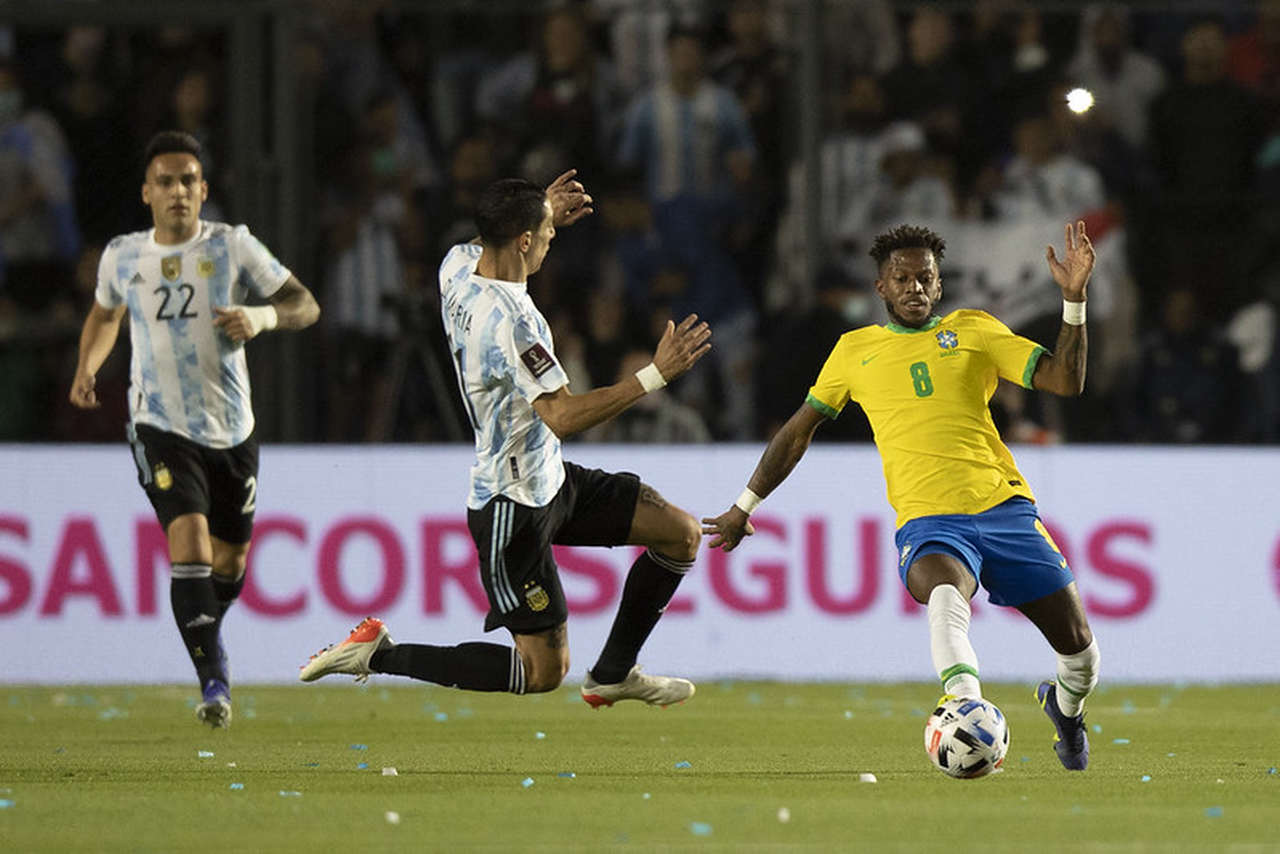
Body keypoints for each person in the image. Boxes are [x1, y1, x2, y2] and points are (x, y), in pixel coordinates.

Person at [300, 171, 712, 709]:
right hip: (512, 507)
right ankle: (379, 654)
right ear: (523, 240)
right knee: (543, 672)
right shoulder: (514, 323)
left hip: (552, 481)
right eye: (545, 233)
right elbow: (562, 416)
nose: (550, 239)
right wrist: (655, 375)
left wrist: (539, 206)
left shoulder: (456, 268)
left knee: (679, 533)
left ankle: (613, 672)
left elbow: (485, 235)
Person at [702, 221, 1101, 770]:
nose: (915, 287)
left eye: (925, 278)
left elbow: (1065, 381)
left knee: (1081, 653)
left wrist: (1073, 300)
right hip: (930, 521)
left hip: (1003, 508)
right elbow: (797, 432)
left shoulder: (975, 330)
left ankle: (1066, 708)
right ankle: (964, 706)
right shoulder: (853, 351)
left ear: (939, 287)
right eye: (902, 278)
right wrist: (744, 506)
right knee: (944, 594)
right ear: (881, 288)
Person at [68, 130, 320, 728]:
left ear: (204, 191)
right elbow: (106, 314)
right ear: (146, 193)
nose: (178, 191)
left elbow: (305, 304)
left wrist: (259, 317)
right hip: (158, 423)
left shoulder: (233, 247)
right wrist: (87, 365)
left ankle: (207, 632)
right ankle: (214, 683)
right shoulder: (123, 256)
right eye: (165, 181)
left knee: (229, 564)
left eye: (188, 181)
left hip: (232, 429)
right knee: (190, 545)